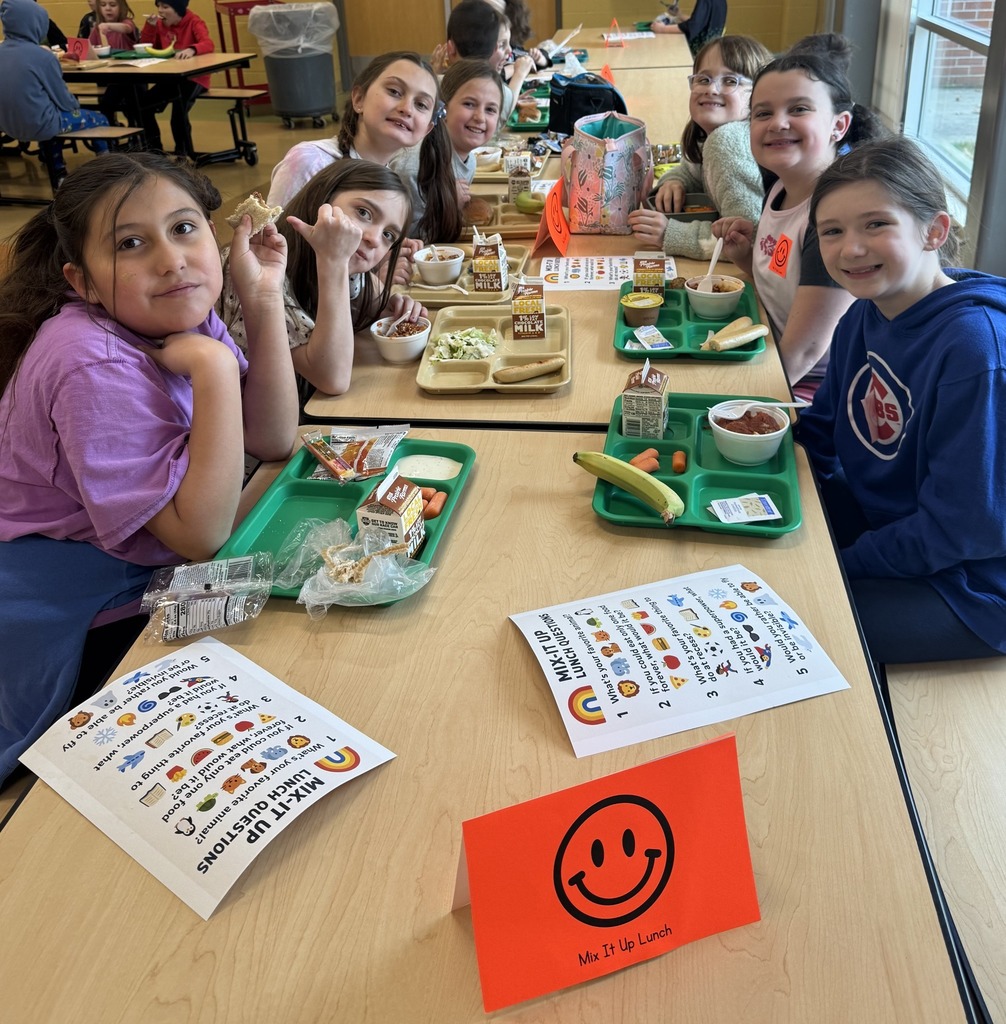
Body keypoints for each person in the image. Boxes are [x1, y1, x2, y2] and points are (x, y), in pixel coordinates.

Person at [0, 152, 299, 786]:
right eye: (130, 243)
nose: (171, 260)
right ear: (82, 282)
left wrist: (262, 297)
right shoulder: (91, 362)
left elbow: (273, 438)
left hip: (141, 558)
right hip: (67, 604)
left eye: (184, 229)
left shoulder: (171, 310)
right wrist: (216, 368)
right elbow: (200, 534)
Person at [796, 136, 1006, 664]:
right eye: (832, 231)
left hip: (973, 584)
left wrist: (839, 563)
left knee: (797, 623)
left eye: (876, 224)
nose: (851, 249)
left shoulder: (975, 351)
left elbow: (963, 527)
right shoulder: (864, 313)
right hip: (892, 528)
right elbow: (820, 431)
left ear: (934, 230)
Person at [713, 34, 886, 400]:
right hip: (772, 354)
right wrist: (746, 258)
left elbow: (806, 351)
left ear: (839, 125)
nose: (778, 123)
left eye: (799, 109)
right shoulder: (780, 186)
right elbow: (784, 290)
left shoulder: (834, 216)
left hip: (820, 387)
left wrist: (740, 404)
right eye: (763, 113)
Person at [222, 160, 427, 399]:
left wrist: (393, 303)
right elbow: (333, 379)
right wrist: (334, 261)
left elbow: (376, 297)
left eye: (388, 234)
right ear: (322, 198)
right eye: (363, 212)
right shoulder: (259, 264)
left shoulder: (348, 264)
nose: (373, 238)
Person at [628, 35, 771, 260]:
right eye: (703, 79)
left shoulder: (727, 141)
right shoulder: (711, 136)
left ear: (760, 94)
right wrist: (675, 182)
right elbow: (691, 171)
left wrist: (670, 233)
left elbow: (750, 239)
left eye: (730, 81)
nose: (711, 89)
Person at [267, 51, 439, 212]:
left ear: (427, 129)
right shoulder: (310, 162)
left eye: (421, 104)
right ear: (359, 99)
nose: (407, 109)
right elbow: (272, 233)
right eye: (394, 91)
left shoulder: (394, 186)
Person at [391, 58, 505, 241]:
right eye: (469, 104)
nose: (480, 117)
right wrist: (448, 205)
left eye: (490, 109)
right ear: (443, 108)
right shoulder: (414, 166)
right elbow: (403, 239)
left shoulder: (470, 161)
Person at [0, 0, 110, 179]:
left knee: (51, 124)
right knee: (100, 119)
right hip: (42, 125)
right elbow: (63, 100)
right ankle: (107, 168)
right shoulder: (43, 57)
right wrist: (75, 106)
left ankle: (59, 172)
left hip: (7, 125)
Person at [430, 0, 533, 123]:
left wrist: (433, 76)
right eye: (501, 45)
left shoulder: (433, 86)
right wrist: (519, 74)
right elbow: (505, 108)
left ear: (450, 48)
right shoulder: (495, 91)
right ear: (492, 48)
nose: (509, 51)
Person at [137, 0, 215, 157]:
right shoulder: (160, 25)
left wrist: (192, 49)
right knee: (143, 106)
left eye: (165, 7)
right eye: (158, 6)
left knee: (178, 113)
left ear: (178, 9)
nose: (160, 11)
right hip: (171, 78)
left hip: (194, 78)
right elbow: (147, 47)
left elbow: (208, 43)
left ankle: (183, 153)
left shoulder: (194, 21)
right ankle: (154, 150)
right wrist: (150, 27)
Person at [89, 0, 140, 125]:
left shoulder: (127, 23)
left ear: (121, 7)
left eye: (112, 5)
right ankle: (111, 129)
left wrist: (109, 26)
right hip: (112, 77)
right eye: (103, 5)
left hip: (131, 76)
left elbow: (127, 28)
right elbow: (89, 47)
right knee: (106, 105)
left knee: (134, 109)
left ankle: (137, 131)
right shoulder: (98, 29)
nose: (108, 8)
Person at [651, 0, 727, 57]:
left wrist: (662, 29)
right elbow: (700, 22)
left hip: (698, 54)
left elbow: (692, 27)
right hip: (711, 51)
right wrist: (679, 15)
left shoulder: (705, 1)